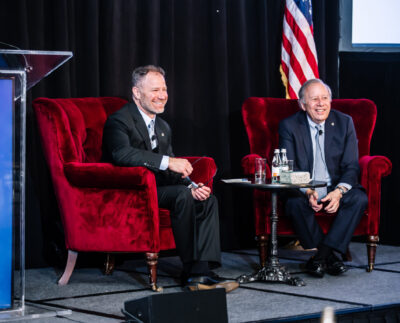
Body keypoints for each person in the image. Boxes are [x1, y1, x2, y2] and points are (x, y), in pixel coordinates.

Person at [102, 65, 238, 292]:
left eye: (164, 89)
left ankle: (202, 271)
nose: (162, 95)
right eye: (155, 90)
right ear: (137, 93)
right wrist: (168, 162)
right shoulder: (120, 120)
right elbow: (121, 154)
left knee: (206, 199)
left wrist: (192, 185)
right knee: (182, 196)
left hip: (159, 189)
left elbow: (171, 168)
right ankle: (193, 273)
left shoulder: (163, 126)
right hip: (131, 193)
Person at [279, 79, 368, 278]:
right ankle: (332, 258)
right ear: (303, 104)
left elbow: (351, 166)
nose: (321, 103)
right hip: (304, 188)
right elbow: (287, 167)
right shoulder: (289, 125)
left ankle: (320, 258)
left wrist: (338, 192)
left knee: (359, 198)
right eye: (314, 99)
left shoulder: (344, 122)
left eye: (325, 98)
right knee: (293, 204)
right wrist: (308, 191)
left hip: (335, 187)